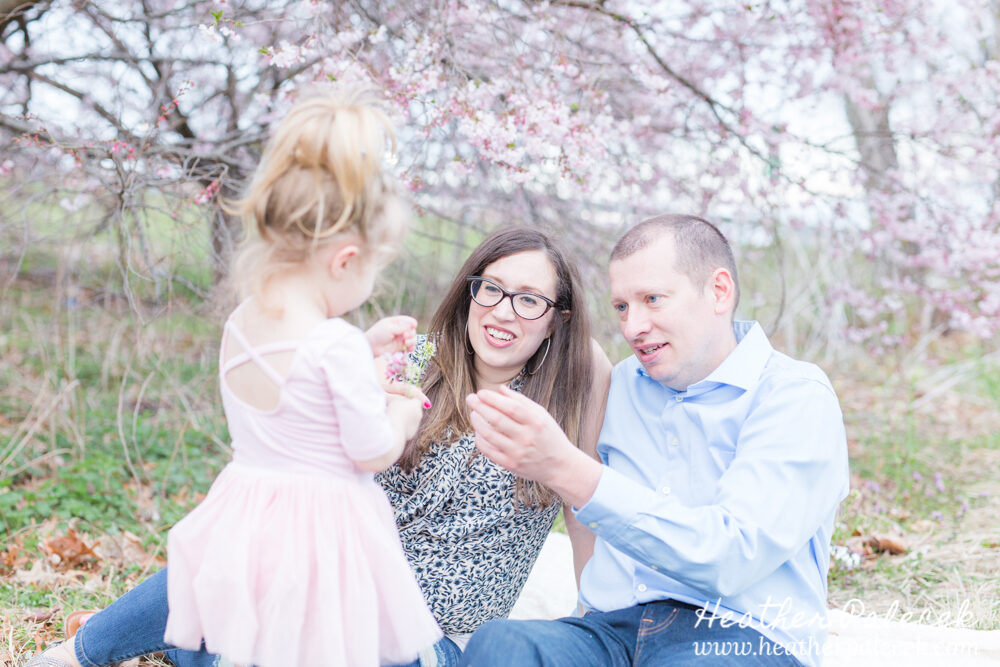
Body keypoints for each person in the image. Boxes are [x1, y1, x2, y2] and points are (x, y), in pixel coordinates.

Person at [25, 223, 611, 666]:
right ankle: (84, 649)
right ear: (469, 292)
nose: (502, 311)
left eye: (530, 299)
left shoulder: (568, 391)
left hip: (423, 637)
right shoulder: (419, 357)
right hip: (330, 585)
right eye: (491, 289)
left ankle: (189, 642)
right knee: (231, 554)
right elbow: (322, 454)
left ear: (557, 318)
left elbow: (583, 501)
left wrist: (590, 616)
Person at [462, 214, 850, 666]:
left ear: (718, 291)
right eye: (622, 307)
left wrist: (568, 470)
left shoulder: (793, 395)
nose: (633, 327)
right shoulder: (620, 382)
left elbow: (731, 556)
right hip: (611, 631)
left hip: (736, 636)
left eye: (653, 299)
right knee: (501, 646)